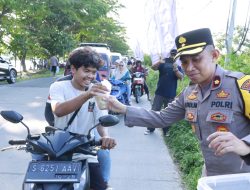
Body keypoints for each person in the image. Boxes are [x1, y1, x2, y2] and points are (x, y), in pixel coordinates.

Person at [104, 28, 250, 176]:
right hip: (211, 177)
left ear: (214, 55)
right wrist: (123, 108)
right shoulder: (190, 93)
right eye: (185, 62)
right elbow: (162, 118)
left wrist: (245, 145)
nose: (189, 68)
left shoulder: (241, 86)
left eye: (196, 59)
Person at [49, 46, 116, 190]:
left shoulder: (98, 91)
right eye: (86, 71)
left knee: (101, 187)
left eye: (93, 72)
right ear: (73, 69)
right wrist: (87, 95)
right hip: (60, 150)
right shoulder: (58, 87)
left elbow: (101, 119)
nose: (91, 76)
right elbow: (58, 110)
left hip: (85, 150)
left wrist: (105, 136)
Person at [144, 49, 184, 135]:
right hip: (160, 92)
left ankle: (166, 131)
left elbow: (181, 77)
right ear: (170, 54)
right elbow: (153, 68)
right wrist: (159, 62)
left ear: (177, 55)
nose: (173, 55)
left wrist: (176, 69)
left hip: (171, 94)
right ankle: (150, 129)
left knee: (168, 114)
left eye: (175, 54)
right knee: (154, 111)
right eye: (172, 54)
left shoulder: (178, 64)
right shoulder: (163, 61)